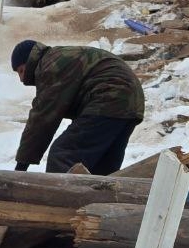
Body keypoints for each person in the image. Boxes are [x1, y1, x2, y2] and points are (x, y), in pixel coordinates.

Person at [11, 39, 145, 175]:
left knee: (63, 154)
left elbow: (41, 120)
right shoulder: (59, 57)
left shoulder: (51, 66)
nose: (22, 79)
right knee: (102, 170)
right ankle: (100, 196)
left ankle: (60, 195)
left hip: (109, 96)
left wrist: (20, 169)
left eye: (21, 71)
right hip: (130, 102)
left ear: (30, 60)